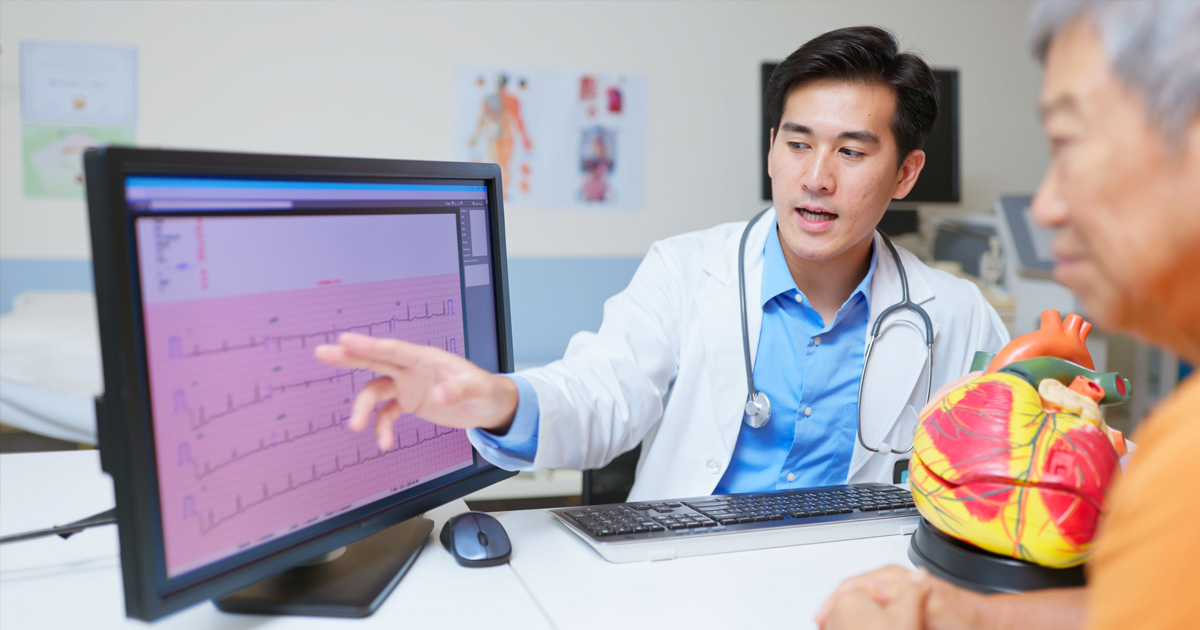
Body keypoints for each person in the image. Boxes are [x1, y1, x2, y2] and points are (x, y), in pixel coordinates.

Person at [315, 26, 1009, 502]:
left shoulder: (954, 314)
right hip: (686, 581)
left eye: (852, 153)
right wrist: (500, 400)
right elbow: (601, 394)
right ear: (771, 149)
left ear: (906, 173)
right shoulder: (684, 272)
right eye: (798, 145)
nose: (816, 178)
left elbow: (1016, 455)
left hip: (852, 591)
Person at [816, 1, 1200, 628]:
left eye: (1070, 144)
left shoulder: (1182, 465)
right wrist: (968, 617)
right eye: (798, 141)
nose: (1045, 206)